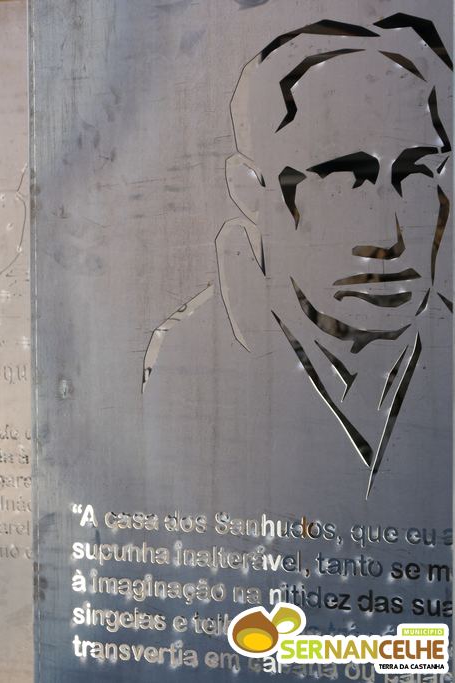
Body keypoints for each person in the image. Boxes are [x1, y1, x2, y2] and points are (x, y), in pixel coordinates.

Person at [145, 14, 452, 497]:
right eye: (343, 178)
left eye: (417, 173)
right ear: (250, 192)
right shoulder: (183, 364)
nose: (390, 234)